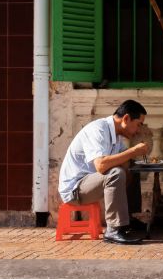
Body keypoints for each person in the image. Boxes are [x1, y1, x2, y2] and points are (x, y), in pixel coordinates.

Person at [58, 100, 150, 245]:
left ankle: (128, 220)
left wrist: (132, 156)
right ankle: (113, 230)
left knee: (131, 166)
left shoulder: (116, 136)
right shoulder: (98, 129)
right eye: (138, 124)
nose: (138, 130)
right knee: (116, 173)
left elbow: (121, 160)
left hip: (90, 183)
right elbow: (101, 165)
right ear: (126, 119)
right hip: (75, 190)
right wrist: (133, 151)